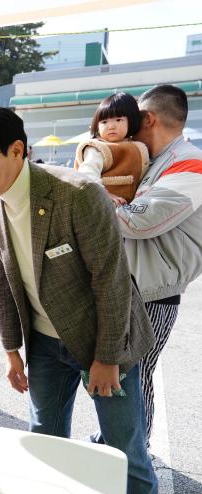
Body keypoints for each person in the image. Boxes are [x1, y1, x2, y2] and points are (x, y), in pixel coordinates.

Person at [0, 107, 161, 494]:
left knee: (125, 453)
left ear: (17, 150)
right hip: (45, 346)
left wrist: (106, 358)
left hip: (103, 342)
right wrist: (12, 350)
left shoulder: (77, 193)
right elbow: (0, 285)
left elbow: (110, 280)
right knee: (44, 443)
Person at [114, 85, 202, 448]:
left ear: (148, 118)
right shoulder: (157, 161)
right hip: (137, 285)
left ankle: (136, 453)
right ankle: (120, 442)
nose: (129, 130)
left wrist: (97, 201)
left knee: (136, 373)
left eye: (133, 121)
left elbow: (140, 221)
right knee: (122, 373)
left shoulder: (190, 163)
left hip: (155, 291)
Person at [75, 92, 149, 206]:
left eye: (118, 120)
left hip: (129, 208)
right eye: (104, 122)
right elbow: (87, 173)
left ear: (132, 120)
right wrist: (104, 194)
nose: (111, 126)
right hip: (99, 205)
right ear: (97, 126)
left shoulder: (137, 147)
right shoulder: (98, 148)